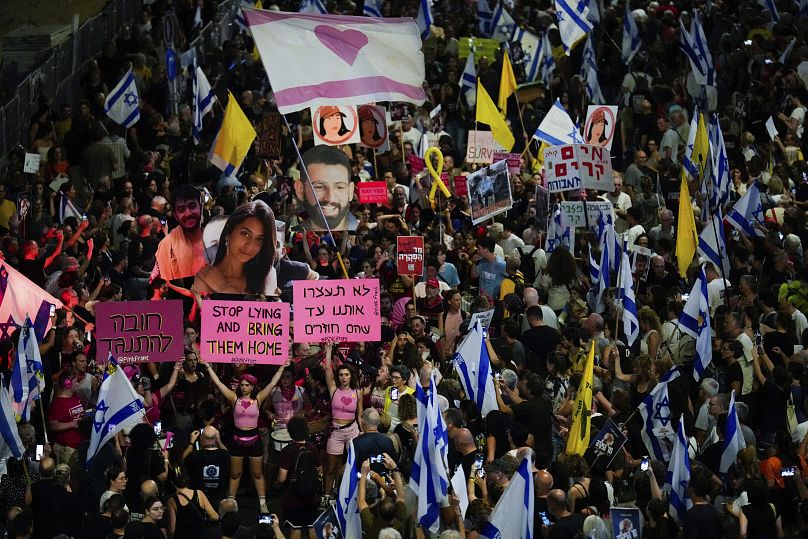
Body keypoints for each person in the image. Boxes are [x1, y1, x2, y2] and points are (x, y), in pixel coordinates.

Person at [204, 359, 290, 513]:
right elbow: (218, 383)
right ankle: (231, 502)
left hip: (254, 439)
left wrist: (281, 368)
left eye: (247, 385)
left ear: (252, 386)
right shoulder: (233, 399)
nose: (244, 387)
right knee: (236, 473)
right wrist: (209, 367)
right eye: (242, 385)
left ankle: (263, 503)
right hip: (236, 439)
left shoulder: (258, 399)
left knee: (257, 473)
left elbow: (272, 383)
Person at [192, 200, 278, 296]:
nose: (250, 245)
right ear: (229, 231)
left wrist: (224, 288)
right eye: (245, 234)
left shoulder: (266, 278)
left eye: (259, 239)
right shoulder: (203, 279)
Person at [322, 342, 363, 500]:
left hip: (352, 430)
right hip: (336, 432)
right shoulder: (333, 389)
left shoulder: (357, 392)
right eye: (341, 375)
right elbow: (327, 369)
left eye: (346, 375)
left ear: (351, 376)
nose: (343, 377)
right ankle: (326, 497)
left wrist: (363, 431)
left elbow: (359, 415)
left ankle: (345, 493)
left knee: (352, 465)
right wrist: (329, 350)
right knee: (331, 468)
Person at [277, 416, 322, 539]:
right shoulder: (312, 448)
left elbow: (282, 477)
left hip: (293, 498)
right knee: (312, 526)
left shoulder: (287, 451)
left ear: (290, 432)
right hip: (312, 497)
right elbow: (319, 470)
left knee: (295, 528)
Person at [294, 145, 357, 231]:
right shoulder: (292, 235)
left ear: (350, 191)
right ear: (300, 190)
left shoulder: (365, 231)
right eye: (319, 187)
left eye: (339, 187)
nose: (330, 198)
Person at [154, 183, 205, 281]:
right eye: (181, 209)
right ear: (175, 215)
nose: (188, 213)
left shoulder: (216, 242)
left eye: (192, 206)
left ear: (201, 207)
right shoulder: (166, 247)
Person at [182, 426, 231, 509]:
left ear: (201, 439)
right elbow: (228, 455)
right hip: (219, 500)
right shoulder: (224, 455)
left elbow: (183, 460)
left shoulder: (194, 456)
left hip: (199, 500)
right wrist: (219, 441)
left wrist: (191, 442)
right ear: (216, 438)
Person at [166, 466, 219, 539]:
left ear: (172, 482)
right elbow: (215, 517)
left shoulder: (172, 501)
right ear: (188, 479)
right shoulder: (199, 494)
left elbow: (172, 529)